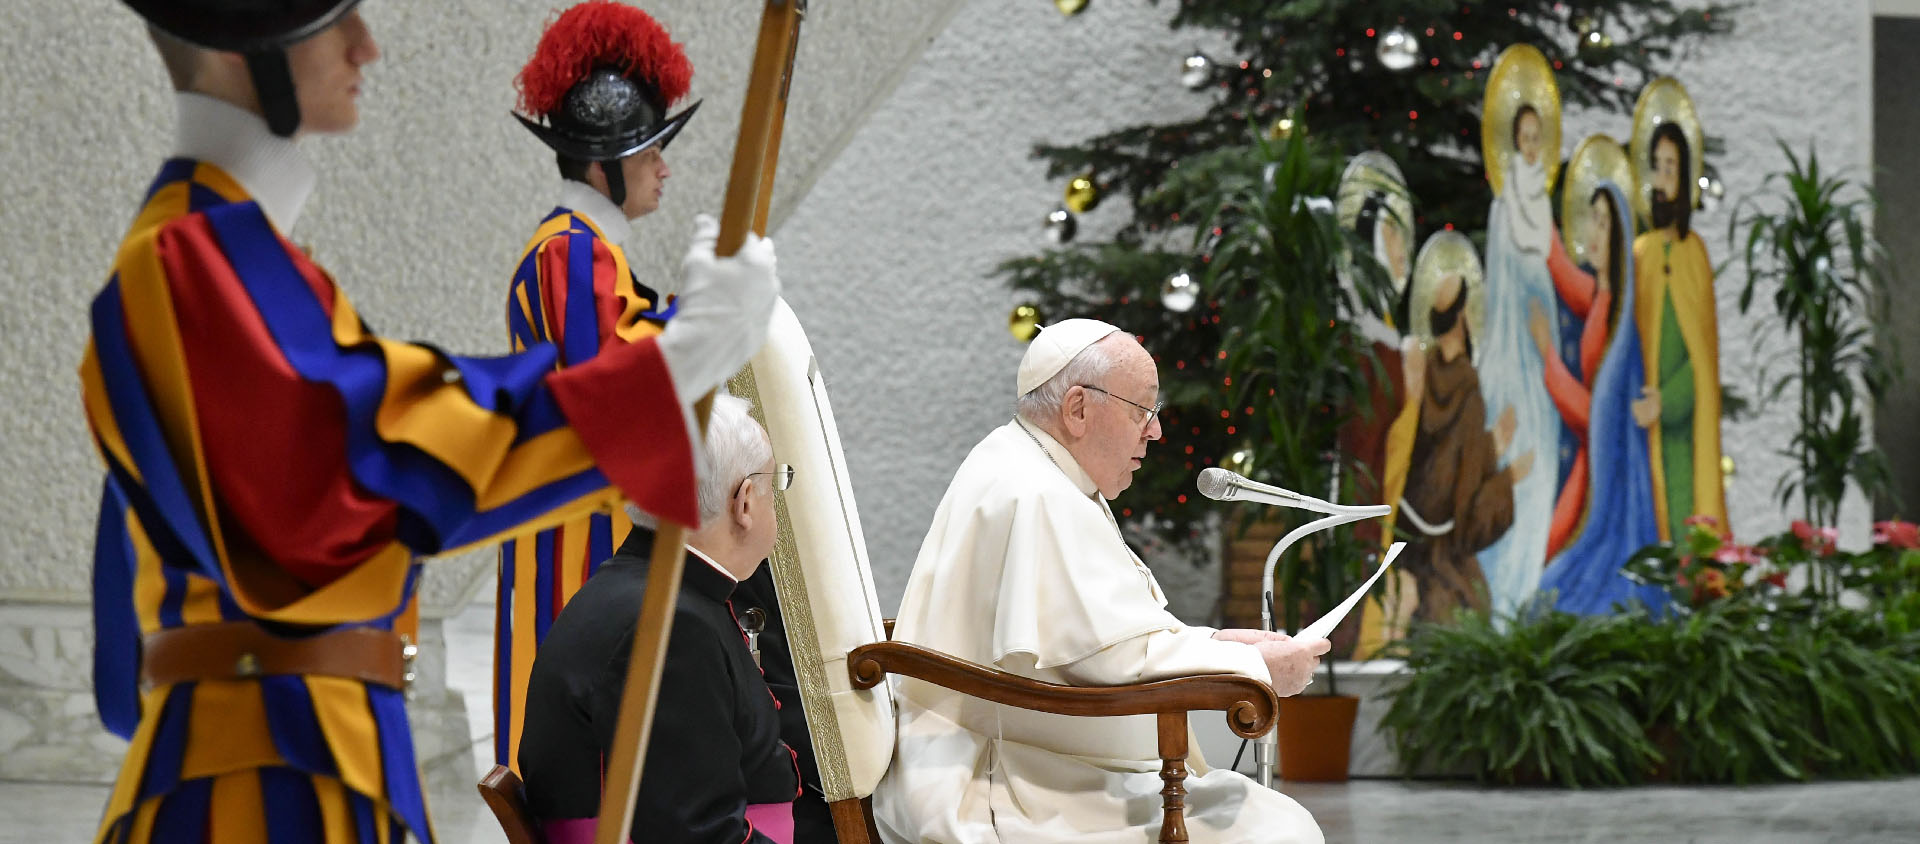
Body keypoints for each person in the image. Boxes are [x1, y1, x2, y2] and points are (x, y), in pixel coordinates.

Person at [80, 3, 777, 842]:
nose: (366, 45)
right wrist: (678, 363)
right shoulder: (187, 257)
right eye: (332, 20)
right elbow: (371, 457)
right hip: (256, 779)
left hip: (297, 755)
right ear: (244, 46)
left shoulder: (223, 254)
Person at [873, 319, 1330, 844]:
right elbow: (1109, 661)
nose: (1155, 431)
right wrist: (1255, 668)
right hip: (1006, 781)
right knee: (1273, 831)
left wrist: (1217, 642)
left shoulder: (1027, 465)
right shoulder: (1036, 494)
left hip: (1030, 754)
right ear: (1078, 409)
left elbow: (1104, 638)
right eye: (1143, 410)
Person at [494, 0, 702, 773]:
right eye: (651, 151)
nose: (664, 167)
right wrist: (707, 321)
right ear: (601, 164)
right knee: (584, 762)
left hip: (590, 537)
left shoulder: (585, 252)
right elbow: (613, 383)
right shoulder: (570, 253)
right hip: (580, 545)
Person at [520, 393, 801, 844]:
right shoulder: (671, 629)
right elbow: (696, 833)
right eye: (775, 484)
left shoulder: (653, 592)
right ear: (745, 502)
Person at [1538, 183, 1670, 614]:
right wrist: (1543, 221)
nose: (1591, 233)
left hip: (1600, 466)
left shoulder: (1621, 330)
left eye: (1603, 222)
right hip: (1589, 459)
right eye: (1590, 219)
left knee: (1564, 575)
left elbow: (1596, 416)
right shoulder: (1603, 297)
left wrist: (1547, 356)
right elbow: (1569, 277)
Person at [1396, 276, 1534, 622]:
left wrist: (1490, 444)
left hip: (1408, 533)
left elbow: (1442, 461)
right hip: (1442, 551)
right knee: (1471, 605)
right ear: (1462, 319)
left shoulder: (1422, 373)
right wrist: (1508, 478)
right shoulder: (1468, 387)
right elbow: (1464, 499)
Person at [1475, 102, 1564, 618]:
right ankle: (1498, 604)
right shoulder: (1502, 205)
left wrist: (1547, 338)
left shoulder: (1544, 207)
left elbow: (1553, 280)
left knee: (1540, 469)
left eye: (1538, 137)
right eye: (1523, 136)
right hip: (1510, 353)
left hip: (1541, 351)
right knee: (1510, 461)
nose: (1530, 146)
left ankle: (1526, 597)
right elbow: (1500, 282)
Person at [1633, 120, 1728, 542]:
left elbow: (1703, 358)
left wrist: (1668, 400)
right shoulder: (1641, 253)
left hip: (1682, 430)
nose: (1662, 178)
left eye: (1671, 168)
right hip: (1642, 428)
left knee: (1686, 528)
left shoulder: (1695, 255)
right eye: (1657, 166)